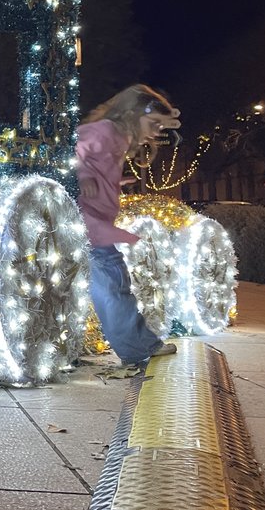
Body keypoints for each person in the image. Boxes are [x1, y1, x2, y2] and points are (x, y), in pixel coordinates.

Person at [77, 85, 181, 366]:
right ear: (135, 114)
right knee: (113, 280)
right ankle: (137, 347)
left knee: (110, 281)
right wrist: (86, 176)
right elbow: (80, 146)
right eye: (154, 123)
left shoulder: (118, 137)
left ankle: (136, 345)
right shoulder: (108, 131)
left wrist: (111, 183)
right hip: (89, 220)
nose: (157, 131)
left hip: (94, 218)